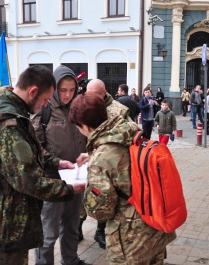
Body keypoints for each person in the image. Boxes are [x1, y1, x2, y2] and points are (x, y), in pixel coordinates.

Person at [0, 65, 86, 264]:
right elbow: (27, 181)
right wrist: (67, 189)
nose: (44, 105)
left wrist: (57, 162)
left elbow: (31, 154)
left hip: (6, 211)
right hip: (7, 217)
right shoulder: (9, 125)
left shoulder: (14, 113)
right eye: (45, 100)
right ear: (32, 92)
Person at [69, 92, 176, 264]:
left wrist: (88, 190)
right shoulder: (132, 132)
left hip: (130, 239)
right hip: (155, 224)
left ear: (85, 126)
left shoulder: (101, 159)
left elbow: (102, 212)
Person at [31, 65, 89, 265]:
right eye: (63, 90)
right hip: (52, 180)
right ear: (55, 88)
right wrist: (56, 163)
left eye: (72, 90)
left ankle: (70, 260)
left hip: (76, 177)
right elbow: (35, 147)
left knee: (72, 225)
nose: (67, 95)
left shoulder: (77, 107)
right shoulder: (44, 109)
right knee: (49, 231)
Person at [85, 78, 131, 249]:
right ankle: (77, 229)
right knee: (88, 197)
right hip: (89, 160)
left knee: (105, 197)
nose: (92, 97)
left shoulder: (119, 110)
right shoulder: (86, 105)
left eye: (96, 94)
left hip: (112, 163)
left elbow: (129, 134)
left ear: (104, 93)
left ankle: (100, 230)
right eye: (89, 94)